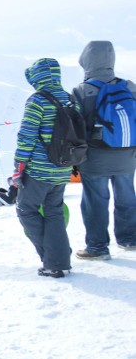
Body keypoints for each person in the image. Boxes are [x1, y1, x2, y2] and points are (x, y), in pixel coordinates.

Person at [71, 41, 136, 260]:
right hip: (128, 156)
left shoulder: (81, 91)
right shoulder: (130, 87)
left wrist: (75, 158)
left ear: (86, 60)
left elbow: (75, 127)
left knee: (96, 201)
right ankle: (130, 238)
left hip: (96, 158)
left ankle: (97, 247)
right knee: (127, 196)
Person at [13, 58, 73, 278]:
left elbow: (26, 137)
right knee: (54, 212)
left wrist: (18, 168)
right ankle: (59, 259)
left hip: (39, 170)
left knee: (25, 210)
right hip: (63, 168)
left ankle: (53, 258)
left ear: (38, 77)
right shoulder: (70, 99)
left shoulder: (38, 100)